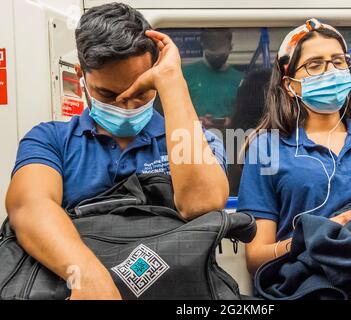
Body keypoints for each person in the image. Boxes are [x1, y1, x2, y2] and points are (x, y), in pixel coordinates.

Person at [5, 3, 229, 300]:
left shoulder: (196, 140)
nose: (126, 107)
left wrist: (172, 80)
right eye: (107, 95)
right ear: (82, 77)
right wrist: (86, 275)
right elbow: (29, 207)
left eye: (140, 92)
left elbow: (201, 205)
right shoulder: (50, 139)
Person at [236, 19, 351, 275]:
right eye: (315, 65)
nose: (330, 71)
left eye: (338, 62)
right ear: (289, 84)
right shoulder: (267, 150)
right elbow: (256, 257)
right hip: (312, 281)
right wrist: (319, 236)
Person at [183, 29, 243, 128]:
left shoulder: (240, 80)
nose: (216, 58)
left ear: (230, 48)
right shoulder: (185, 75)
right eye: (212, 55)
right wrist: (195, 120)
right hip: (192, 136)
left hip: (230, 138)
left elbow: (244, 118)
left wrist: (231, 122)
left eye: (221, 55)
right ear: (203, 46)